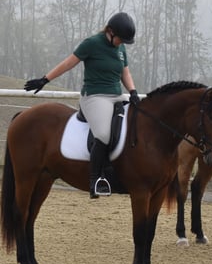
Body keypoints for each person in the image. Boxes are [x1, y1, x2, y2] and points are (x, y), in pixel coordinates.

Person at [24, 12, 140, 198]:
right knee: (103, 134)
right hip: (94, 97)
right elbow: (68, 63)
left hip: (117, 95)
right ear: (110, 32)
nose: (121, 43)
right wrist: (45, 79)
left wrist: (133, 92)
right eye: (119, 39)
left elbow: (124, 72)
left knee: (138, 121)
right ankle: (96, 180)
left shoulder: (120, 48)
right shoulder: (92, 43)